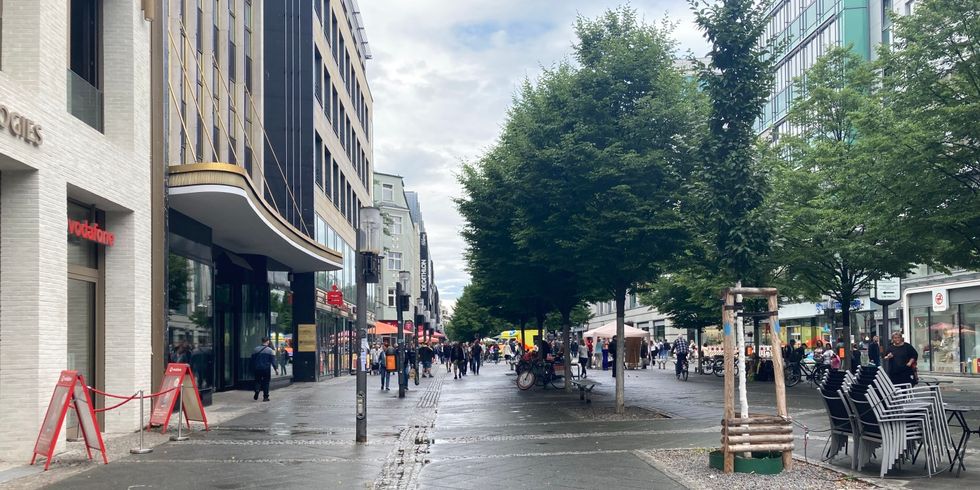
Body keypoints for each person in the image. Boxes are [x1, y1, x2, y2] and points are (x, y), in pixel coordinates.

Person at [250, 337, 279, 401]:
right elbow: (273, 361)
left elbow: (252, 360)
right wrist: (276, 369)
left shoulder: (255, 349)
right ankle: (265, 397)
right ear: (268, 341)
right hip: (266, 369)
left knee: (257, 380)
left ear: (262, 341)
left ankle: (257, 390)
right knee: (266, 382)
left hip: (257, 368)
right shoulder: (270, 350)